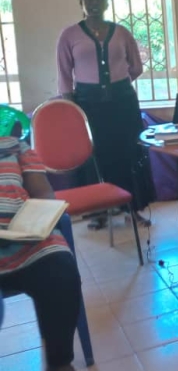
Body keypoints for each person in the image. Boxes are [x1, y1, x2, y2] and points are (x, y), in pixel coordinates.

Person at [56, 0, 154, 230]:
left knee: (128, 154)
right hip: (88, 106)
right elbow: (64, 75)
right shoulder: (69, 35)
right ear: (80, 2)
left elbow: (136, 66)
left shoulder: (121, 32)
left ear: (107, 2)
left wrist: (116, 85)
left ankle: (133, 208)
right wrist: (71, 109)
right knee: (94, 157)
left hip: (122, 104)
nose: (93, 2)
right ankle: (98, 211)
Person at [0, 137, 81, 371]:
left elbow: (44, 193)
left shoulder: (16, 147)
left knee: (60, 272)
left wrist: (34, 221)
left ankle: (60, 362)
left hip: (24, 239)